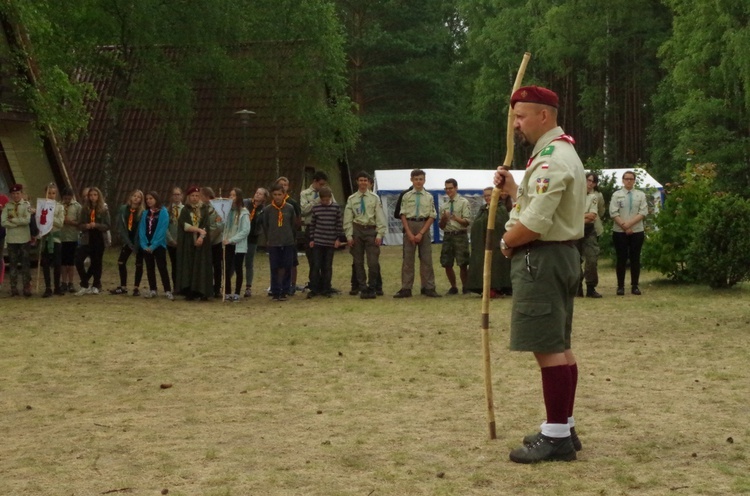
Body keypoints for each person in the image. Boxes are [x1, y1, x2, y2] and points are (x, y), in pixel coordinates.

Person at [494, 85, 585, 464]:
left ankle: (556, 435)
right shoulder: (556, 153)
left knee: (547, 348)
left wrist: (506, 241)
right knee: (559, 346)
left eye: (520, 116)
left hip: (542, 259)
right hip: (557, 255)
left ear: (543, 115)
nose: (515, 124)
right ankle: (564, 424)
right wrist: (515, 189)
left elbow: (535, 223)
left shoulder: (550, 159)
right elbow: (536, 205)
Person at [394, 169, 440, 298]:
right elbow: (402, 214)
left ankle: (428, 287)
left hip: (423, 226)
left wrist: (421, 233)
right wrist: (408, 232)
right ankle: (406, 288)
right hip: (410, 225)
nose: (418, 181)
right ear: (411, 180)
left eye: (421, 179)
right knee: (408, 260)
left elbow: (432, 216)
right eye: (416, 179)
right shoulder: (406, 196)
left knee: (426, 259)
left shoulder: (429, 196)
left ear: (424, 180)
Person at [344, 171, 386, 299]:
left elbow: (380, 217)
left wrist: (380, 234)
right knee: (358, 262)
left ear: (368, 182)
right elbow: (347, 219)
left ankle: (372, 287)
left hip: (371, 231)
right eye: (360, 180)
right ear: (357, 182)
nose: (363, 183)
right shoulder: (352, 199)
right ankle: (362, 288)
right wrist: (349, 236)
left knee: (373, 262)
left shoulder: (374, 198)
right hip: (357, 230)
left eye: (365, 180)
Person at [466, 187, 513, 297]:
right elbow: (476, 225)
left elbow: (501, 224)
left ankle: (499, 288)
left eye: (489, 195)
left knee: (496, 266)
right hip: (482, 245)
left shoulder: (501, 209)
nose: (487, 198)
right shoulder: (482, 209)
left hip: (496, 244)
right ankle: (484, 287)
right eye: (485, 196)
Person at [610, 170, 648, 295]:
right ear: (623, 180)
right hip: (619, 231)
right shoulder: (616, 195)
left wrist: (630, 225)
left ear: (634, 181)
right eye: (626, 179)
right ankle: (620, 286)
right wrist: (624, 226)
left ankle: (635, 286)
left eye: (631, 179)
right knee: (621, 258)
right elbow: (613, 212)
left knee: (635, 258)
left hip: (637, 230)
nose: (629, 181)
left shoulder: (640, 195)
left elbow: (643, 212)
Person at [176, 186, 215, 300]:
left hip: (202, 241)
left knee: (201, 265)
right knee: (189, 265)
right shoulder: (185, 210)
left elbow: (206, 225)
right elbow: (184, 225)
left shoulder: (204, 209)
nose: (194, 198)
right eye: (192, 196)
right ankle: (190, 291)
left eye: (197, 196)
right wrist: (198, 230)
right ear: (189, 197)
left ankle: (202, 291)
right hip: (188, 241)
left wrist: (201, 237)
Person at [262, 183, 297, 301]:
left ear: (284, 195)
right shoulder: (267, 210)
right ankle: (275, 290)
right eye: (275, 194)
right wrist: (269, 238)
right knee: (274, 267)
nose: (277, 197)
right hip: (273, 242)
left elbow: (293, 224)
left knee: (287, 266)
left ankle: (285, 290)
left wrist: (291, 237)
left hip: (287, 242)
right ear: (272, 195)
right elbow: (266, 225)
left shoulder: (289, 208)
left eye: (280, 194)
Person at [307, 186, 344, 298]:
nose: (325, 202)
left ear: (330, 198)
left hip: (330, 242)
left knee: (327, 266)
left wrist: (338, 239)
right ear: (320, 199)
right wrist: (312, 238)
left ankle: (326, 288)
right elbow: (312, 224)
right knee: (315, 265)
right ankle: (314, 288)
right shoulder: (316, 208)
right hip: (318, 241)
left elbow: (338, 224)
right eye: (323, 200)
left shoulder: (336, 208)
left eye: (327, 200)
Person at [439, 178, 472, 295]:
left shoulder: (464, 202)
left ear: (456, 188)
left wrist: (455, 217)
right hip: (448, 236)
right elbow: (441, 226)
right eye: (446, 189)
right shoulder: (444, 205)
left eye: (450, 188)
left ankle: (465, 286)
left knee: (463, 263)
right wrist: (443, 219)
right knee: (447, 263)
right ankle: (453, 287)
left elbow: (467, 222)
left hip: (460, 235)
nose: (448, 191)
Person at [75, 187, 110, 295]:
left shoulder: (104, 209)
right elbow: (79, 225)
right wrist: (86, 226)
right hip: (87, 238)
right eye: (91, 195)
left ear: (98, 196)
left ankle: (96, 284)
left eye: (95, 195)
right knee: (78, 260)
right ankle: (84, 283)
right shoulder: (85, 209)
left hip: (99, 238)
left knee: (96, 263)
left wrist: (97, 225)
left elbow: (107, 225)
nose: (93, 197)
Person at [139, 191, 173, 300]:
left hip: (158, 245)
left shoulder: (163, 212)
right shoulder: (145, 213)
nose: (149, 201)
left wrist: (153, 245)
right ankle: (153, 289)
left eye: (151, 198)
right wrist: (144, 244)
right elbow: (142, 229)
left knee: (162, 267)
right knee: (150, 268)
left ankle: (167, 290)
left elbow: (161, 230)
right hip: (146, 245)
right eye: (147, 199)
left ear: (156, 199)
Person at [110, 189, 145, 296]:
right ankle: (123, 286)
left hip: (138, 240)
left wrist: (136, 243)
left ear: (141, 200)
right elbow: (120, 226)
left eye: (138, 197)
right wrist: (127, 241)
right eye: (134, 196)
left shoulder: (142, 212)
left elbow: (141, 228)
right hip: (127, 239)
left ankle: (136, 287)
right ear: (130, 197)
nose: (136, 198)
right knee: (121, 261)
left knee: (139, 263)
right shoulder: (124, 209)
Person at [1, 184, 32, 296]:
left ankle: (26, 287)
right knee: (13, 264)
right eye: (13, 194)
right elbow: (3, 222)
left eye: (18, 193)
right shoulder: (7, 206)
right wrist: (18, 222)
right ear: (11, 195)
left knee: (25, 264)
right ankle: (13, 287)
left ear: (21, 194)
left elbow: (27, 220)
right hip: (12, 239)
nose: (16, 196)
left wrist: (13, 221)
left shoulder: (26, 205)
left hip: (24, 238)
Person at [222, 187, 251, 302]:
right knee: (227, 268)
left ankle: (237, 293)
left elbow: (245, 231)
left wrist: (232, 239)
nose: (231, 197)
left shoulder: (244, 213)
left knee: (238, 268)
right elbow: (224, 228)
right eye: (230, 195)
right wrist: (220, 222)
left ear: (238, 197)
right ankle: (227, 292)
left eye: (233, 195)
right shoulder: (228, 212)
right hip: (228, 244)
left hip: (238, 246)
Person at [274, 176, 302, 295]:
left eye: (285, 185)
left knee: (292, 262)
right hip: (276, 238)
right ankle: (279, 285)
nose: (283, 187)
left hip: (290, 237)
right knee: (279, 263)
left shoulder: (292, 203)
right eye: (281, 185)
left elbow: (297, 221)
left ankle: (292, 285)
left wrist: (292, 234)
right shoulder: (273, 204)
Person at [39, 183, 65, 297]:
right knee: (45, 263)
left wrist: (49, 216)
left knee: (57, 263)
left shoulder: (59, 207)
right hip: (45, 237)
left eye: (53, 193)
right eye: (49, 193)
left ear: (56, 194)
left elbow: (60, 223)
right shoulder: (41, 206)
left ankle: (57, 287)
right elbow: (39, 221)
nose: (51, 195)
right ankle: (48, 287)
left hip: (55, 238)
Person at [579, 173, 603, 298]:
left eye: (593, 182)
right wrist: (584, 215)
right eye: (588, 180)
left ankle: (590, 287)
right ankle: (577, 286)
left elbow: (592, 217)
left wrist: (576, 218)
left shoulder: (593, 197)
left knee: (592, 259)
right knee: (574, 261)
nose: (590, 184)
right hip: (574, 232)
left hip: (588, 230)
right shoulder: (573, 195)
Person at [242, 187, 267, 297]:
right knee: (235, 261)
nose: (257, 195)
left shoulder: (264, 210)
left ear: (264, 198)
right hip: (241, 237)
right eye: (256, 192)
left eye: (260, 194)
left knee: (249, 262)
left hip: (252, 238)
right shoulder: (246, 203)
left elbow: (264, 224)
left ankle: (248, 287)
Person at [201, 187, 224, 298]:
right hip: (204, 240)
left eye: (201, 196)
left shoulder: (217, 208)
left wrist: (210, 239)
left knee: (217, 266)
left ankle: (217, 288)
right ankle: (207, 287)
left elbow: (218, 226)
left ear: (206, 196)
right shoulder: (201, 208)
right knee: (206, 266)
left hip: (216, 241)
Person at [59, 187, 82, 293]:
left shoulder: (77, 207)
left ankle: (71, 282)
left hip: (72, 237)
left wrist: (71, 222)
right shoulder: (59, 205)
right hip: (61, 237)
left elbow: (81, 223)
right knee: (63, 262)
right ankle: (63, 282)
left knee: (71, 262)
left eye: (69, 198)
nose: (67, 200)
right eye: (65, 199)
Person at [166, 186, 184, 293]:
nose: (176, 196)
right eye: (174, 194)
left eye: (178, 194)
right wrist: (170, 239)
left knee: (182, 264)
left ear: (182, 196)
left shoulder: (185, 209)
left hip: (182, 242)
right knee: (174, 265)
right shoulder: (168, 210)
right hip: (171, 242)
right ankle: (176, 286)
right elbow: (165, 226)